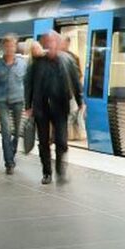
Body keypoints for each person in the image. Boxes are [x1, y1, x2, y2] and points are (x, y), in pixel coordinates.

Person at [25, 32, 82, 185]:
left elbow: (75, 82)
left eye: (53, 41)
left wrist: (80, 101)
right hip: (41, 107)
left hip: (60, 106)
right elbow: (28, 83)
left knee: (62, 141)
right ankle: (47, 173)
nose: (50, 45)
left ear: (58, 43)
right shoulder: (36, 62)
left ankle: (60, 171)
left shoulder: (67, 60)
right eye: (47, 42)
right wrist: (28, 105)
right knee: (43, 141)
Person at [0, 34, 27, 175]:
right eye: (7, 46)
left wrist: (30, 104)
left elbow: (27, 84)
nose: (10, 48)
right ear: (3, 47)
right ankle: (9, 162)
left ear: (15, 47)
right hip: (2, 100)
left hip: (18, 100)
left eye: (12, 46)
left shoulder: (23, 64)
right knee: (6, 131)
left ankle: (12, 151)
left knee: (16, 132)